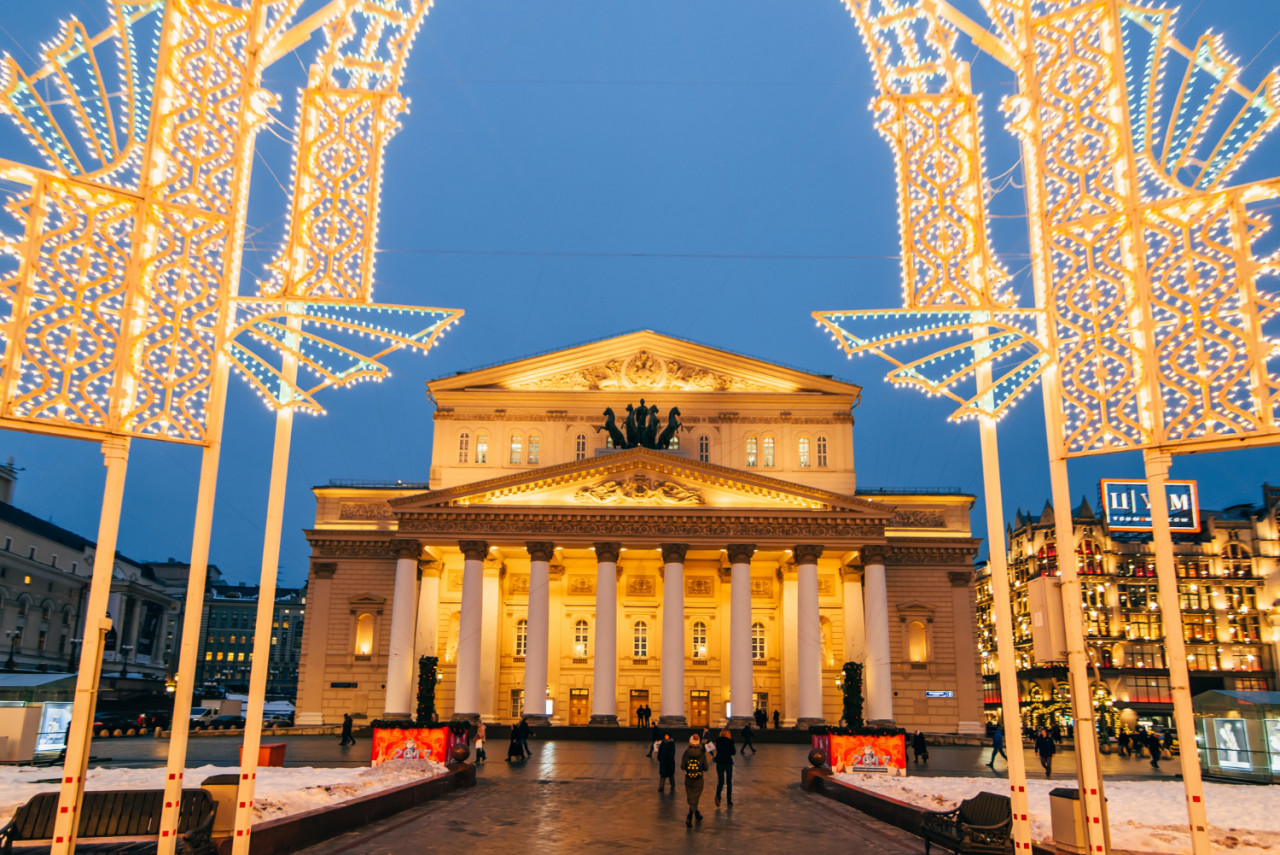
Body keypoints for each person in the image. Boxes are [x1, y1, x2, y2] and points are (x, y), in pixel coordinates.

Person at [681, 733, 708, 827]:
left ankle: (697, 814)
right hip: (698, 779)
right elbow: (706, 768)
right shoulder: (702, 753)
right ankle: (689, 817)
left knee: (691, 798)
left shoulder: (686, 753)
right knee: (695, 798)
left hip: (688, 779)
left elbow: (682, 766)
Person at [714, 728, 736, 807]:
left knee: (720, 781)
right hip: (728, 763)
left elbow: (717, 750)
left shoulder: (718, 741)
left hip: (719, 762)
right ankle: (729, 801)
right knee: (729, 782)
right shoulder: (730, 742)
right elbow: (733, 752)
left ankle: (718, 796)